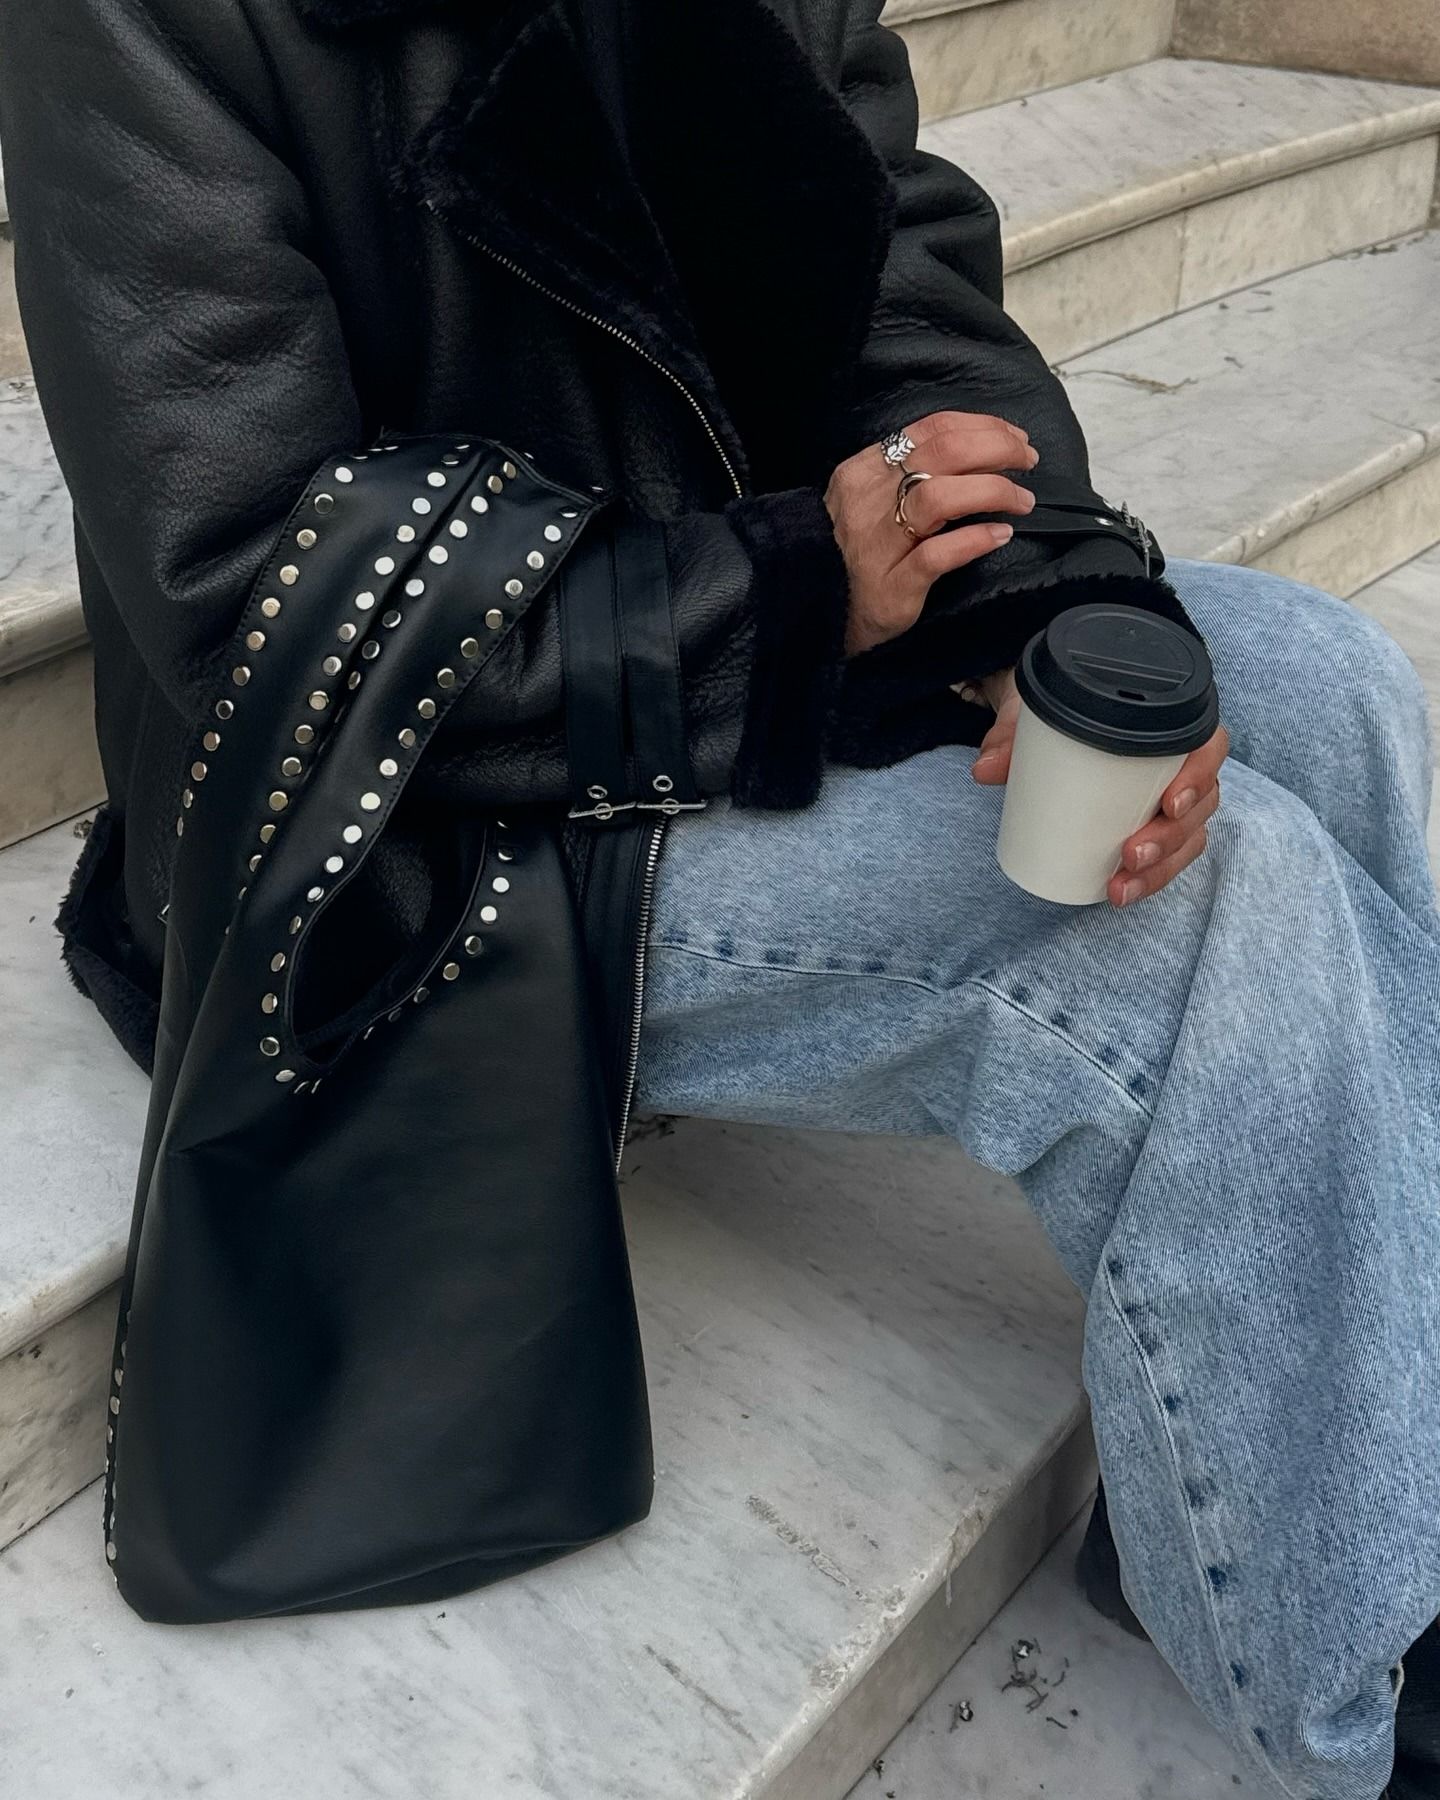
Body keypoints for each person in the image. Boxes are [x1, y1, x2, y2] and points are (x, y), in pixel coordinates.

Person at [0, 0, 1435, 1793]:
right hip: (413, 807)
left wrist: (1035, 601)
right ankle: (1361, 1707)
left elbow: (897, 273)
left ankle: (1294, 1493)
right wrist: (778, 593)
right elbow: (244, 593)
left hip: (751, 604)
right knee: (1208, 920)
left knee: (1328, 680)